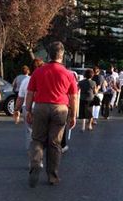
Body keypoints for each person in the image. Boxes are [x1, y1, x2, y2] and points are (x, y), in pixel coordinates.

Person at [25, 42, 78, 187]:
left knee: (37, 139)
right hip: (60, 108)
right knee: (55, 143)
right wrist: (73, 115)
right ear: (62, 55)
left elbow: (30, 93)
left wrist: (28, 110)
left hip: (41, 107)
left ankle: (36, 163)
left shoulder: (38, 71)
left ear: (48, 54)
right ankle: (52, 176)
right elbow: (74, 96)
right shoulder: (68, 74)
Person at [13, 59, 44, 153]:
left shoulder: (26, 80)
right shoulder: (45, 79)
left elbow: (20, 97)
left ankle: (32, 152)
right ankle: (40, 153)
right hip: (42, 107)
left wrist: (16, 109)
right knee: (41, 131)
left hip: (27, 107)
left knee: (29, 131)